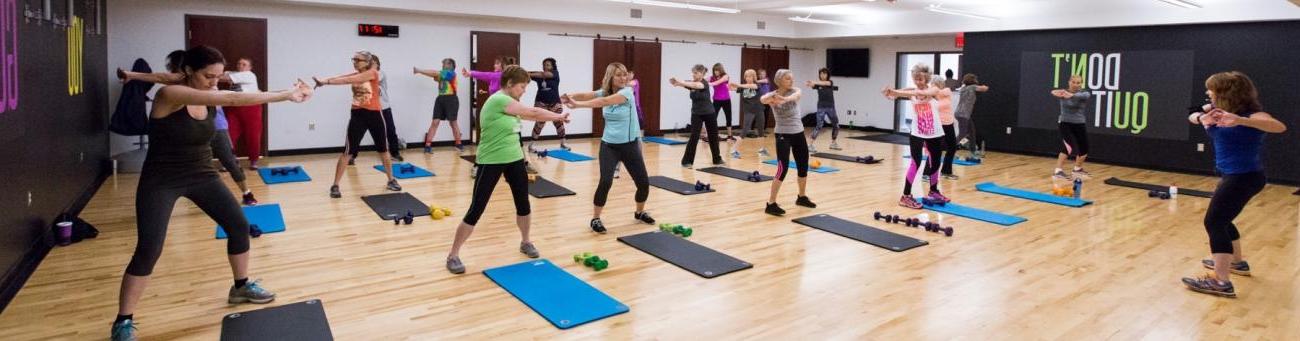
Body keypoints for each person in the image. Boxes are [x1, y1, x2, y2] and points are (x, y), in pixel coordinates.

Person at [109, 45, 312, 341]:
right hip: (162, 179)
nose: (214, 82)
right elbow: (231, 97)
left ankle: (241, 287)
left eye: (218, 76)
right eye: (208, 76)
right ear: (189, 71)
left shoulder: (210, 97)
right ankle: (123, 321)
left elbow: (222, 113)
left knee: (239, 226)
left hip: (202, 174)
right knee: (149, 248)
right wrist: (286, 95)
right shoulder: (170, 95)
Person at [444, 65, 570, 274]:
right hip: (491, 161)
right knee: (477, 208)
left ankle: (526, 241)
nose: (523, 91)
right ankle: (453, 254)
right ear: (510, 84)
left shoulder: (512, 103)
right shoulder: (499, 100)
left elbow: (522, 125)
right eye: (522, 87)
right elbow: (533, 112)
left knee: (523, 203)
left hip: (514, 160)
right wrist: (559, 116)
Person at [1181, 71, 1286, 298]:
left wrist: (1240, 121)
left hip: (1244, 177)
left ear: (1226, 92)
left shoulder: (1252, 114)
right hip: (1233, 176)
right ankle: (1236, 263)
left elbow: (1278, 126)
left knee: (1214, 221)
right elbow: (1191, 112)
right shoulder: (1213, 108)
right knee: (1224, 219)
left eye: (1212, 89)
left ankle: (1221, 281)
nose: (1208, 93)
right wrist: (1201, 118)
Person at [118, 50, 259, 206]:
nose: (173, 71)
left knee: (230, 161)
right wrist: (131, 75)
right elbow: (160, 77)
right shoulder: (179, 83)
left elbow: (232, 97)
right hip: (194, 128)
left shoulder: (205, 78)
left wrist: (281, 95)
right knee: (200, 163)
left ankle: (247, 193)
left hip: (216, 126)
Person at [562, 62, 656, 233]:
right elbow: (587, 94)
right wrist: (568, 96)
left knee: (643, 183)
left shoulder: (627, 92)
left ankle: (640, 212)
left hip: (630, 146)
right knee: (605, 181)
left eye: (625, 74)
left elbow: (603, 101)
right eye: (618, 75)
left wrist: (577, 105)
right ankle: (595, 218)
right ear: (610, 77)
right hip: (609, 146)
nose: (623, 78)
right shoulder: (605, 90)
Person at [313, 50, 402, 198]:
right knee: (348, 151)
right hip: (357, 115)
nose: (354, 62)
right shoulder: (356, 73)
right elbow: (343, 77)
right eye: (353, 59)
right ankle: (335, 185)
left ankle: (391, 180)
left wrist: (326, 82)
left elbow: (346, 80)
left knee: (383, 150)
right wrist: (323, 81)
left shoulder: (373, 73)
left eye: (358, 60)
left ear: (367, 62)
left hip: (375, 115)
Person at [883, 63, 950, 209]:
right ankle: (906, 196)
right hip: (917, 132)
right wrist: (891, 92)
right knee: (916, 162)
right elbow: (898, 93)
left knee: (936, 162)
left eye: (921, 79)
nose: (918, 82)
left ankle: (933, 191)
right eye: (916, 79)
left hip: (934, 132)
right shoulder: (912, 91)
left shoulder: (934, 89)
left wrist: (896, 91)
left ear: (927, 79)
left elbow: (922, 94)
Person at [761, 69, 816, 216]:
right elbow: (762, 100)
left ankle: (802, 197)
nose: (791, 81)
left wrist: (785, 99)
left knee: (803, 164)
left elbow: (797, 95)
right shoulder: (773, 96)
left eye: (792, 78)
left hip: (798, 133)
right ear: (779, 81)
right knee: (782, 168)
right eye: (787, 79)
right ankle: (771, 204)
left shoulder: (795, 91)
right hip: (783, 134)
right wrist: (772, 96)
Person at [349, 55, 405, 164]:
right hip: (369, 109)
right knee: (358, 133)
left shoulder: (380, 73)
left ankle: (395, 153)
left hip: (384, 108)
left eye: (373, 63)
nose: (371, 65)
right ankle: (352, 156)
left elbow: (373, 77)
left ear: (377, 64)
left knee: (390, 130)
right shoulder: (363, 75)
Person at [670, 64, 724, 168]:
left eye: (696, 73)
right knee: (694, 136)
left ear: (702, 74)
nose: (694, 75)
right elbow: (687, 85)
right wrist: (676, 83)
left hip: (709, 113)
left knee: (713, 136)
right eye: (693, 72)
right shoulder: (692, 84)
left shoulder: (704, 83)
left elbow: (695, 86)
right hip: (696, 114)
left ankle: (717, 159)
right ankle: (687, 161)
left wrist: (680, 81)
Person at [222, 58, 265, 169]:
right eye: (239, 63)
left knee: (253, 135)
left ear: (250, 67)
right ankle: (228, 162)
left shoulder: (249, 75)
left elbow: (222, 77)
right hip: (234, 107)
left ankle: (254, 161)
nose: (241, 65)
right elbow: (222, 75)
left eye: (244, 64)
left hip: (251, 107)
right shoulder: (233, 73)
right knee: (229, 135)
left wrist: (211, 76)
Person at [414, 58, 464, 153]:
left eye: (444, 64)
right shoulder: (443, 74)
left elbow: (435, 74)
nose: (442, 65)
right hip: (440, 99)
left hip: (451, 99)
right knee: (435, 122)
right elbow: (434, 76)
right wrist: (425, 73)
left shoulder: (451, 74)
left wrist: (419, 70)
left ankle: (459, 143)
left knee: (453, 123)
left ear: (450, 65)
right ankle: (427, 146)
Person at [1051, 75, 1092, 180]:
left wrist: (1069, 95)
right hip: (1065, 123)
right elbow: (1053, 92)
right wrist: (1061, 92)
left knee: (1084, 148)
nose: (1076, 85)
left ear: (1081, 84)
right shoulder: (1063, 93)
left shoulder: (1084, 94)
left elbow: (1083, 96)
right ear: (1069, 82)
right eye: (1073, 82)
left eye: (1078, 83)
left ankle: (1077, 169)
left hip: (1079, 123)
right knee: (1068, 147)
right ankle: (1058, 171)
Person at [528, 58, 568, 151]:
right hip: (540, 102)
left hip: (555, 102)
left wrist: (529, 73)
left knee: (559, 122)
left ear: (552, 66)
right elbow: (528, 75)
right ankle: (531, 145)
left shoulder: (555, 73)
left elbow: (543, 74)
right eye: (544, 65)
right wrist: (523, 72)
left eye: (548, 65)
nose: (545, 67)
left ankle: (563, 143)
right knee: (539, 123)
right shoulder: (538, 75)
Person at [730, 69, 768, 159]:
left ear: (754, 77)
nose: (748, 78)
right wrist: (729, 86)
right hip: (749, 111)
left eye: (750, 76)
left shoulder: (756, 85)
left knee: (761, 130)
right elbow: (732, 88)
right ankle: (734, 150)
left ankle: (762, 149)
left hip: (759, 110)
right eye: (746, 76)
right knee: (745, 130)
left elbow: (752, 86)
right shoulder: (742, 87)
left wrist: (738, 85)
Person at [954, 73, 990, 156]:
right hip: (964, 114)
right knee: (962, 133)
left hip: (961, 113)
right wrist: (985, 86)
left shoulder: (963, 88)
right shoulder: (972, 87)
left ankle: (973, 150)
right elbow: (984, 89)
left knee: (972, 131)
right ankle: (951, 148)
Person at [932, 76, 960, 180]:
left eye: (936, 84)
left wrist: (932, 91)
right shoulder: (932, 96)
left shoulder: (946, 91)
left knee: (952, 147)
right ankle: (928, 173)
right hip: (938, 125)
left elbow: (939, 92)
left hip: (948, 124)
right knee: (936, 149)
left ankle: (946, 171)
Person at [806, 68, 841, 152]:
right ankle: (810, 145)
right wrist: (809, 84)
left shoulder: (830, 82)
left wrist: (814, 82)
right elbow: (812, 85)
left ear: (827, 75)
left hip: (831, 107)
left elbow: (824, 83)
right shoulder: (818, 85)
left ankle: (833, 143)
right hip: (821, 107)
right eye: (821, 74)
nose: (822, 75)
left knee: (836, 125)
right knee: (819, 125)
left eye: (824, 74)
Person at [709, 63, 734, 138]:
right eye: (714, 70)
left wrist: (708, 84)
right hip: (716, 100)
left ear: (721, 70)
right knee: (713, 117)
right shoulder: (711, 77)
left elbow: (717, 83)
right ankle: (713, 134)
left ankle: (730, 135)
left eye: (717, 70)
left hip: (726, 100)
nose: (716, 72)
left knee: (728, 117)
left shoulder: (725, 76)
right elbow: (703, 80)